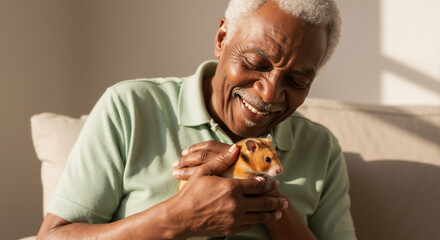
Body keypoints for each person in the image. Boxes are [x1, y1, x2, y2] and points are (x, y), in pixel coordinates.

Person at [37, 0, 356, 239]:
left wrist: (265, 199)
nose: (270, 93)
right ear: (222, 38)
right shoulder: (131, 108)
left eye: (298, 80)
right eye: (256, 62)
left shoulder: (321, 149)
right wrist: (177, 217)